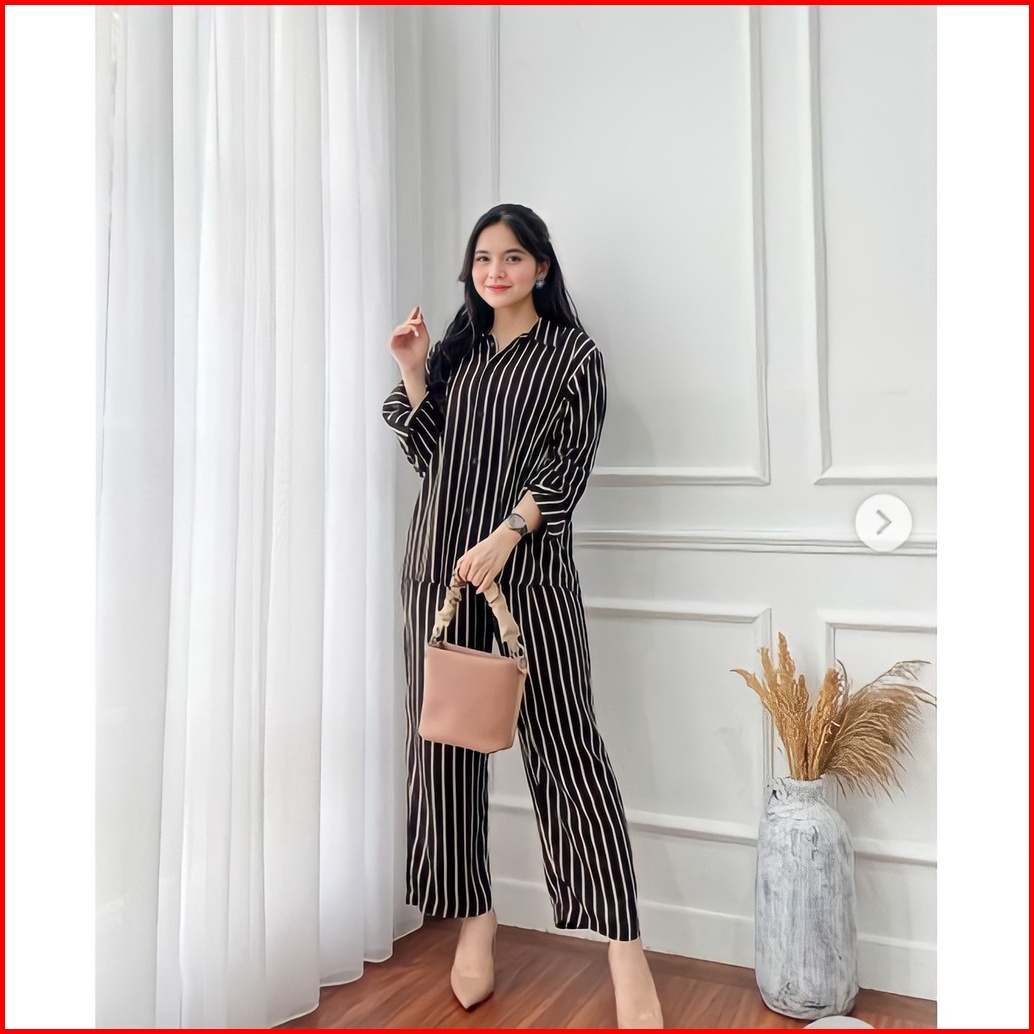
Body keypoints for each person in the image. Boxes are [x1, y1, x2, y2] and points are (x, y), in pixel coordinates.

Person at [382, 203, 663, 1028]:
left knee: (568, 750)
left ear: (541, 265)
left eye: (511, 256)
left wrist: (508, 534)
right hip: (439, 576)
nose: (495, 271)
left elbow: (568, 465)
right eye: (482, 258)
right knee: (445, 752)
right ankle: (476, 919)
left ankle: (625, 950)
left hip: (528, 580)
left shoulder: (573, 356)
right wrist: (415, 370)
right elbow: (432, 458)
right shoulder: (460, 353)